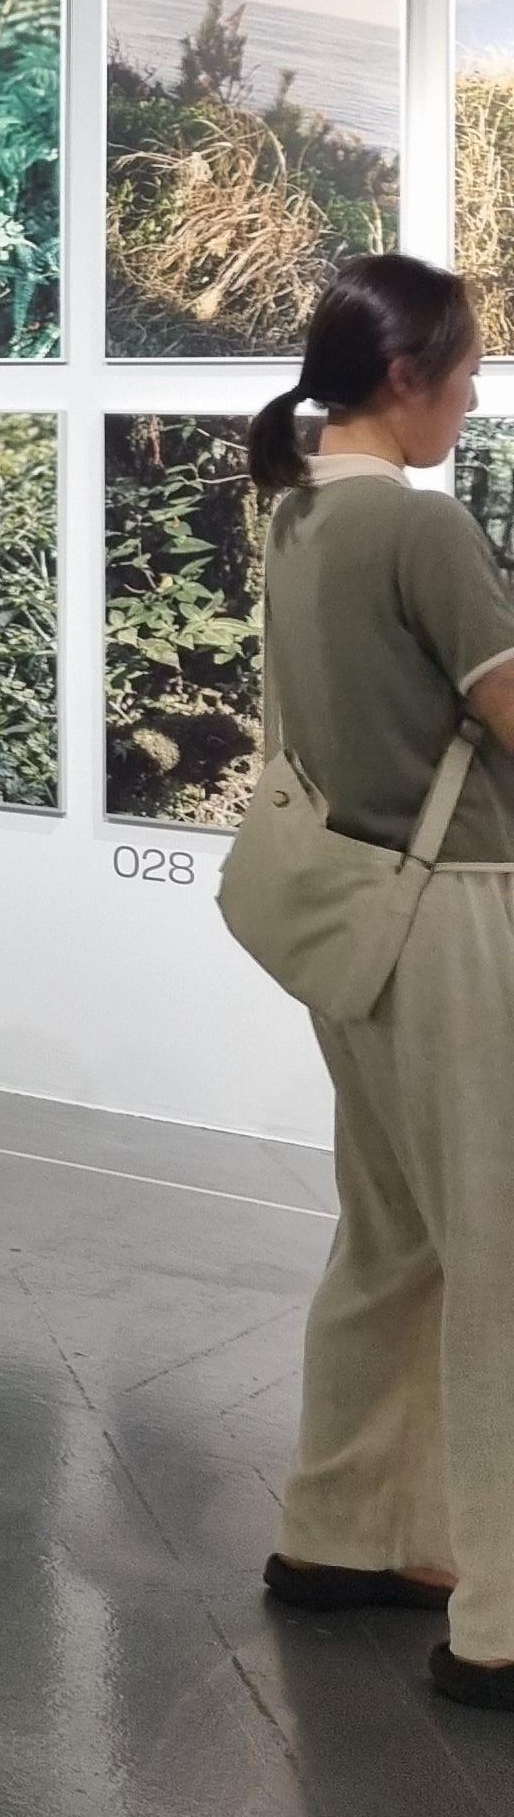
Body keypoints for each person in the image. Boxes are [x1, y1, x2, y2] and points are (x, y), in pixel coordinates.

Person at [245, 253, 514, 1709]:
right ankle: (503, 1613)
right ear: (405, 377)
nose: (472, 401)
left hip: (354, 915)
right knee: (498, 1252)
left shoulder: (293, 516)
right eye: (465, 376)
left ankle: (344, 1529)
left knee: (394, 1237)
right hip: (459, 913)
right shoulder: (422, 528)